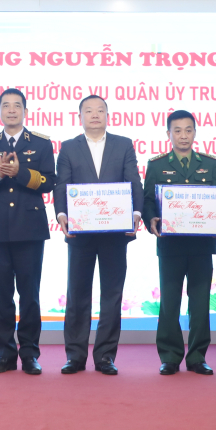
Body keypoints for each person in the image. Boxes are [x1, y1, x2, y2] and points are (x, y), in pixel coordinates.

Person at [54, 94, 144, 375]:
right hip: (80, 233)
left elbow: (133, 180)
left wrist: (136, 213)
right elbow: (62, 185)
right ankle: (75, 356)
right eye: (89, 110)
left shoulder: (123, 144)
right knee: (77, 294)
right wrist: (61, 214)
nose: (95, 115)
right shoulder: (69, 147)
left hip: (115, 233)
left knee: (112, 295)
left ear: (107, 115)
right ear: (80, 116)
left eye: (100, 110)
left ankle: (105, 356)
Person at [0, 88, 56, 375]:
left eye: (16, 106)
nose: (11, 110)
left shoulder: (41, 144)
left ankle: (30, 354)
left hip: (30, 228)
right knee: (2, 295)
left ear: (25, 111)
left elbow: (49, 182)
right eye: (5, 106)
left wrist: (20, 173)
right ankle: (5, 354)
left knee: (29, 295)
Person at [142, 110, 216, 376]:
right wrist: (151, 219)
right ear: (168, 134)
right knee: (170, 302)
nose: (183, 135)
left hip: (201, 246)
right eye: (177, 130)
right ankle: (170, 357)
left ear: (195, 132)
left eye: (188, 130)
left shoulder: (209, 164)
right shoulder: (157, 165)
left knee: (200, 303)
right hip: (170, 245)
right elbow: (148, 200)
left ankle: (198, 357)